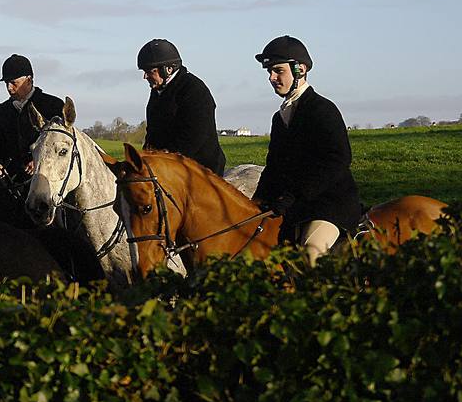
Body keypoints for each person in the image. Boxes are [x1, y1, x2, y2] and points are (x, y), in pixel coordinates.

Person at [250, 36, 363, 262]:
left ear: (300, 70)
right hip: (295, 208)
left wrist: (295, 194)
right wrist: (257, 201)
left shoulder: (323, 109)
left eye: (278, 71)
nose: (272, 78)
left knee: (311, 253)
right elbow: (273, 166)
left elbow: (338, 160)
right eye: (270, 72)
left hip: (329, 205)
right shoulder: (279, 118)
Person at [138, 38, 227, 175]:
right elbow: (152, 132)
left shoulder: (195, 90)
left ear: (167, 69)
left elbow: (193, 139)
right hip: (168, 166)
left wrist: (163, 158)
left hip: (201, 170)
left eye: (150, 71)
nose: (145, 76)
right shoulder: (157, 92)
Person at [0, 53, 65, 187]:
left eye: (13, 83)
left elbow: (61, 147)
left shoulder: (54, 105)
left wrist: (38, 161)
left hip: (47, 183)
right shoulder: (2, 110)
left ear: (29, 80)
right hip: (10, 183)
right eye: (6, 83)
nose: (9, 88)